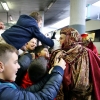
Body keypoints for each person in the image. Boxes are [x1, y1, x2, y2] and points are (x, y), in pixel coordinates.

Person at [0, 43, 66, 100]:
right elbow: (42, 98)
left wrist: (49, 76)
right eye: (15, 62)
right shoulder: (5, 94)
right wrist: (58, 71)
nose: (19, 66)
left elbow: (25, 91)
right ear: (1, 67)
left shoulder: (5, 85)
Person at [50, 27, 100, 100]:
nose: (59, 41)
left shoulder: (87, 52)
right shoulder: (57, 54)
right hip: (67, 96)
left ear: (70, 39)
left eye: (61, 38)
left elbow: (95, 71)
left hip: (85, 95)